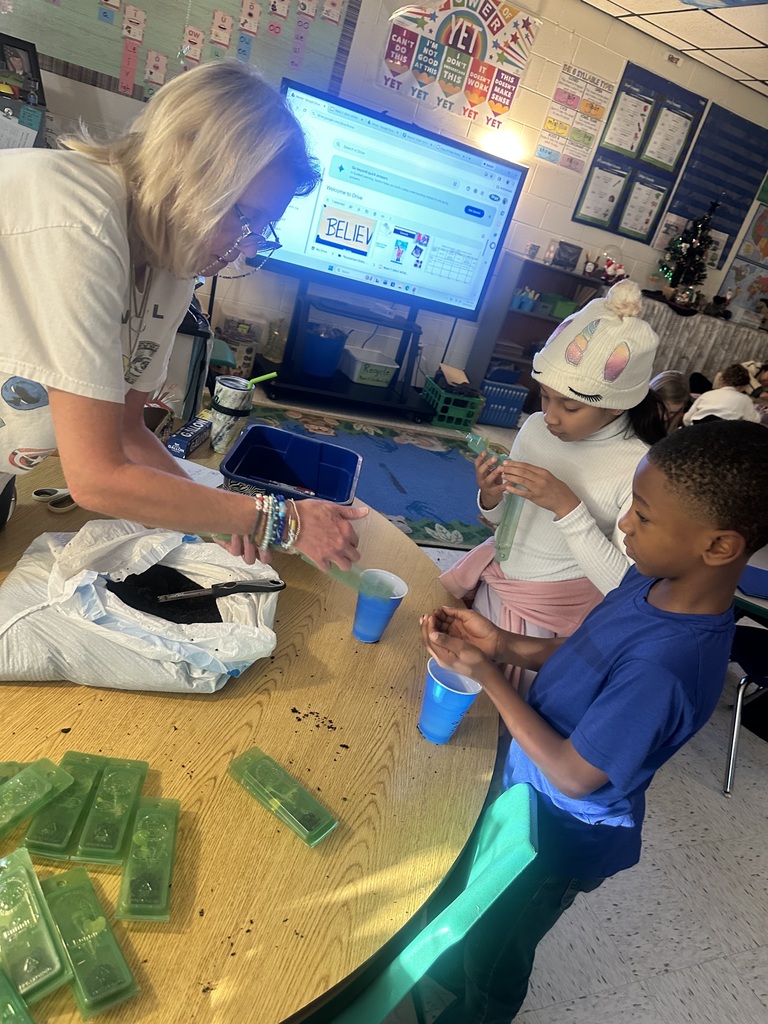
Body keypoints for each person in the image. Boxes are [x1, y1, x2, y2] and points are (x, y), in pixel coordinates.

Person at [420, 419, 768, 1024]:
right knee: (468, 908)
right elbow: (586, 647)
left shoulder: (668, 666)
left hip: (558, 836)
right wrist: (504, 645)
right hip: (524, 795)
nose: (625, 523)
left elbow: (576, 775)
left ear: (718, 547)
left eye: (644, 515)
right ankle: (445, 974)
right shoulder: (651, 580)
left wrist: (490, 678)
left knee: (495, 955)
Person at [0, 60, 366, 568]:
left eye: (263, 229)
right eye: (247, 218)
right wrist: (275, 519)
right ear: (188, 168)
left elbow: (128, 430)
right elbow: (97, 475)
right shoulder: (77, 220)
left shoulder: (169, 261)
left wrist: (219, 515)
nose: (246, 247)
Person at [441, 280, 665, 692]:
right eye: (544, 397)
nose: (551, 417)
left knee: (509, 715)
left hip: (548, 622)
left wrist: (568, 507)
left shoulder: (637, 465)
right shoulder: (535, 429)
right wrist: (491, 497)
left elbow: (626, 587)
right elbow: (506, 527)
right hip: (498, 584)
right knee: (460, 687)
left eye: (570, 406)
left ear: (616, 405)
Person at [683, 363, 761, 426]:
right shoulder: (745, 399)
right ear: (744, 386)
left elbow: (686, 419)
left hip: (697, 430)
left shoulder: (707, 394)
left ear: (721, 379)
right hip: (724, 435)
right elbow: (755, 422)